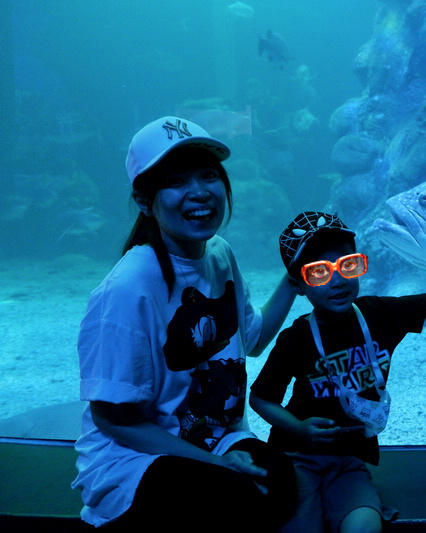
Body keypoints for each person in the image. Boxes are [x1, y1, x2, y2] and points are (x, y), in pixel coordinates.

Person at [72, 116, 297, 531]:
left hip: (214, 437)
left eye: (208, 175)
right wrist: (217, 464)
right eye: (176, 181)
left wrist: (293, 278)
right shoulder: (128, 289)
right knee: (223, 500)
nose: (199, 192)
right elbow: (113, 419)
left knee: (281, 482)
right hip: (133, 458)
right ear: (144, 199)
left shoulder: (219, 253)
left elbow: (251, 340)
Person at [249, 211, 426, 533]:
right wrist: (299, 429)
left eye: (347, 265)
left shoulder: (378, 315)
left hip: (350, 461)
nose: (337, 280)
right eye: (319, 273)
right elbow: (260, 399)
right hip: (295, 456)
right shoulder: (295, 339)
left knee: (365, 526)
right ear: (298, 284)